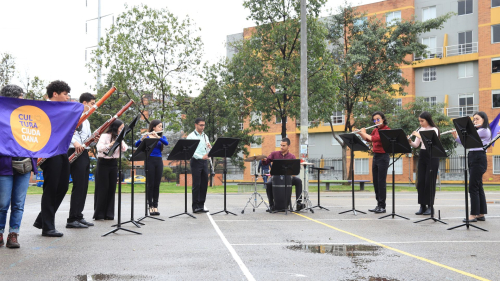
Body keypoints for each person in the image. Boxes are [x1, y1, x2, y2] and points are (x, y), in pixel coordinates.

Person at [0, 85, 38, 248]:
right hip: (4, 165)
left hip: (24, 165)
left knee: (18, 204)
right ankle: (0, 233)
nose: (23, 99)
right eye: (21, 96)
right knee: (2, 203)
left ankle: (13, 234)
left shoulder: (28, 116)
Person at [33, 80, 71, 237]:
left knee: (62, 187)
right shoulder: (43, 109)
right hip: (49, 152)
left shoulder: (64, 109)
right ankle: (48, 227)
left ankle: (42, 219)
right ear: (55, 94)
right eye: (65, 94)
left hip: (62, 150)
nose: (68, 97)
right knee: (51, 188)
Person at [452, 112, 490, 222]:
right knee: (478, 186)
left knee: (473, 187)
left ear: (484, 119)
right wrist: (456, 137)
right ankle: (481, 213)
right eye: (474, 119)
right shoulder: (477, 131)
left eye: (477, 119)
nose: (475, 121)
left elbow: (469, 137)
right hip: (473, 156)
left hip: (479, 157)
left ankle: (473, 214)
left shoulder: (484, 130)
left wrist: (463, 131)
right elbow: (466, 143)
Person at [66, 93, 96, 229]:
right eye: (91, 103)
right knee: (78, 186)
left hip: (83, 152)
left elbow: (86, 140)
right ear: (84, 102)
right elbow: (69, 131)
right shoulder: (75, 115)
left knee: (84, 186)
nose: (93, 106)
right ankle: (72, 218)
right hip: (74, 150)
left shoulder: (87, 120)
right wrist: (75, 142)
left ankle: (79, 215)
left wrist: (93, 141)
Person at [93, 119, 128, 220]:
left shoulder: (119, 137)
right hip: (103, 162)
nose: (121, 130)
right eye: (121, 128)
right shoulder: (105, 136)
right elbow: (99, 147)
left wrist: (120, 141)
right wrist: (109, 145)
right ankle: (99, 214)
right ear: (115, 128)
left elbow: (125, 148)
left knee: (112, 188)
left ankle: (109, 214)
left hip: (113, 163)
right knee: (103, 188)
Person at [357, 112, 390, 214]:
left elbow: (374, 139)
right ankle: (378, 204)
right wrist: (360, 133)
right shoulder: (375, 130)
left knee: (381, 182)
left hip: (383, 157)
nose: (376, 121)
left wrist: (363, 132)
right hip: (375, 156)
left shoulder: (386, 130)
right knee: (375, 182)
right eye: (374, 120)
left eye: (378, 119)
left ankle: (382, 206)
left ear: (383, 119)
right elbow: (368, 139)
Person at [408, 111, 440, 215]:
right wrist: (410, 142)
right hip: (422, 154)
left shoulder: (434, 129)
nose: (420, 123)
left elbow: (430, 142)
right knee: (420, 181)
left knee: (429, 182)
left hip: (432, 155)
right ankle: (422, 206)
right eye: (419, 121)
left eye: (422, 121)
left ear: (428, 120)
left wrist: (420, 135)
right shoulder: (421, 130)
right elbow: (416, 145)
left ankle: (430, 206)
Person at [135, 120, 169, 216]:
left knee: (156, 185)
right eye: (159, 126)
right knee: (150, 184)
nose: (161, 128)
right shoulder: (147, 136)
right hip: (149, 160)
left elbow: (166, 143)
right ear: (153, 127)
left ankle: (155, 206)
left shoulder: (161, 137)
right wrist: (142, 138)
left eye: (161, 126)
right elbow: (136, 145)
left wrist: (158, 137)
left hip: (158, 161)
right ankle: (150, 206)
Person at [262, 137, 304, 212]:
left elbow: (294, 170)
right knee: (268, 184)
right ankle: (272, 205)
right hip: (275, 177)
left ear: (288, 146)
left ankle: (298, 203)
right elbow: (266, 162)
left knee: (298, 181)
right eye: (281, 145)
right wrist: (264, 160)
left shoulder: (292, 156)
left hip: (288, 178)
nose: (281, 147)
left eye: (283, 145)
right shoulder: (274, 154)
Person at [186, 118, 211, 213]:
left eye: (204, 125)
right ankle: (195, 206)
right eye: (201, 125)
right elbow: (191, 151)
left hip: (204, 161)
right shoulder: (191, 136)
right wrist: (201, 156)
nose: (202, 127)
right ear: (195, 125)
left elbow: (207, 149)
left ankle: (201, 205)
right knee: (197, 184)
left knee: (204, 183)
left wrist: (209, 148)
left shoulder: (205, 136)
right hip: (196, 161)